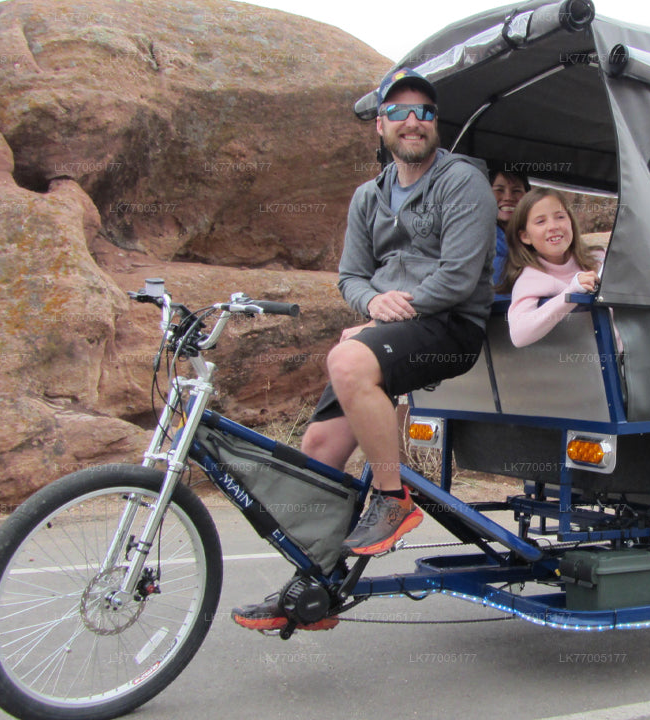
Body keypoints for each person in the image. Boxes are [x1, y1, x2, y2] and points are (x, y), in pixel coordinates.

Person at [232, 68, 497, 632]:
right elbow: (350, 276)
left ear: (436, 124)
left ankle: (391, 495)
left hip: (451, 327)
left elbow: (458, 276)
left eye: (424, 112)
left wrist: (388, 316)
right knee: (318, 448)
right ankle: (314, 587)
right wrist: (374, 306)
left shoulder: (462, 181)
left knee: (348, 358)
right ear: (380, 125)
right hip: (390, 327)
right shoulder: (367, 197)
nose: (412, 121)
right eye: (398, 111)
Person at [500, 187, 602, 347]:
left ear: (571, 222)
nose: (553, 226)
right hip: (587, 359)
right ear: (525, 236)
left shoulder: (598, 259)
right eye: (541, 221)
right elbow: (519, 335)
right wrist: (571, 294)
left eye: (560, 217)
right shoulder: (531, 279)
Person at [489, 169, 530, 285]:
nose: (508, 197)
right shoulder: (473, 238)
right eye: (499, 190)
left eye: (516, 191)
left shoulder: (539, 241)